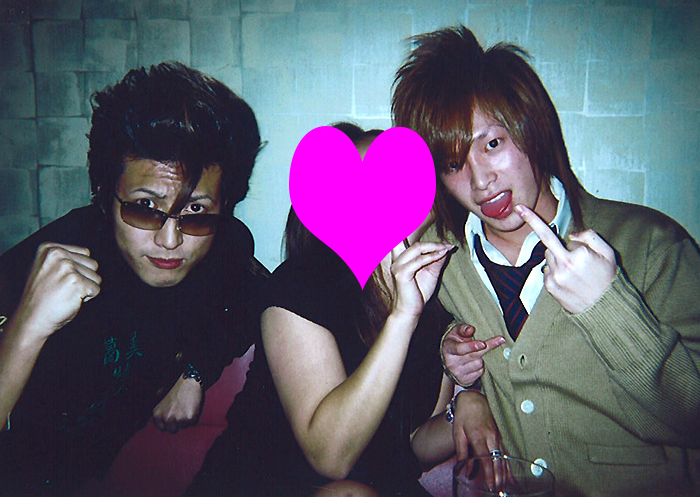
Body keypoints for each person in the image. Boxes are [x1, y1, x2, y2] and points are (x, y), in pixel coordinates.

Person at [392, 26, 700, 496]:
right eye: (453, 163)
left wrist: (608, 308)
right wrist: (465, 385)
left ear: (532, 129)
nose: (480, 180)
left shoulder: (651, 245)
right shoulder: (443, 263)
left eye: (492, 144)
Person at [186, 123, 500, 497]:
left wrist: (464, 406)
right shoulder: (298, 287)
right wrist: (402, 318)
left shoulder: (435, 302)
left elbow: (412, 447)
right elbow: (331, 457)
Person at [0, 62, 268, 496]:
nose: (170, 240)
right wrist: (27, 327)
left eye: (195, 211)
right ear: (105, 196)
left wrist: (195, 375)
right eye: (145, 207)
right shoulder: (46, 262)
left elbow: (252, 296)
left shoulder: (223, 244)